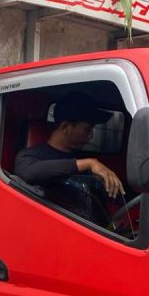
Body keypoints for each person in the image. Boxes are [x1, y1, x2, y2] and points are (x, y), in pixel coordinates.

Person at [13, 92, 124, 221]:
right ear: (66, 127)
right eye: (87, 129)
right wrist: (87, 163)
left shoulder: (82, 159)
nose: (91, 136)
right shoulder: (31, 155)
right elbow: (28, 173)